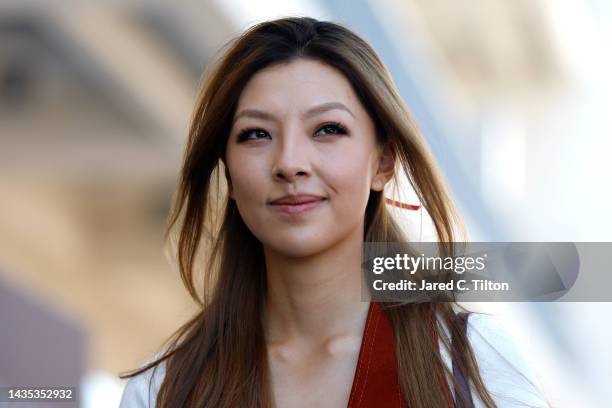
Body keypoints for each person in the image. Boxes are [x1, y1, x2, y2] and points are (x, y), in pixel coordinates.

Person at [118, 17, 549, 408]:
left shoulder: (468, 360)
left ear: (383, 163)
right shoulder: (164, 389)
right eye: (256, 134)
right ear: (228, 172)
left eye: (328, 129)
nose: (289, 162)